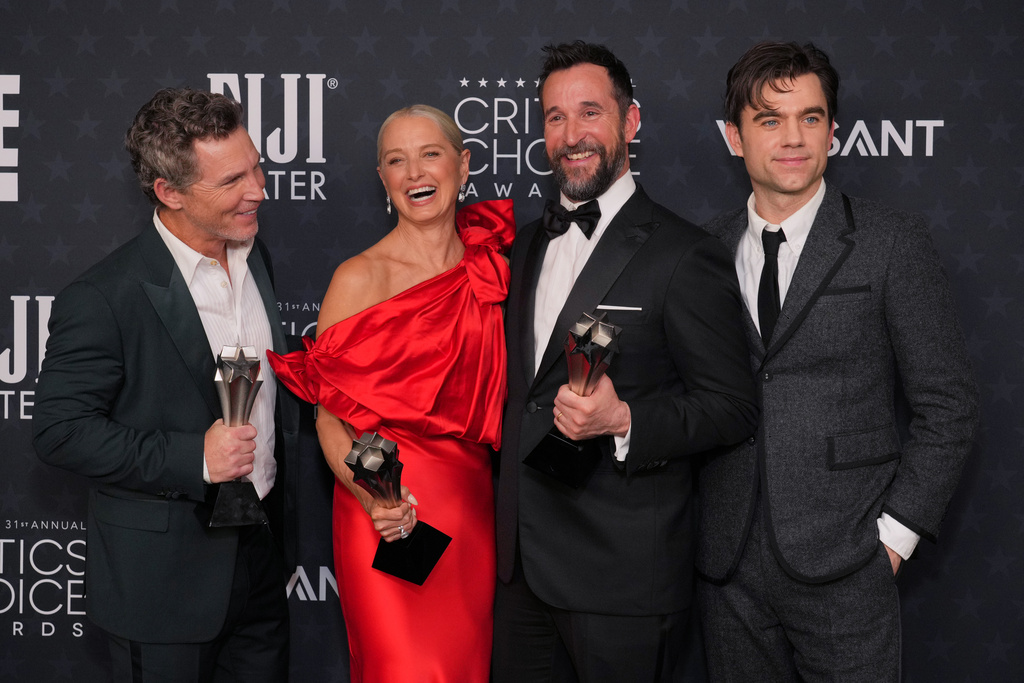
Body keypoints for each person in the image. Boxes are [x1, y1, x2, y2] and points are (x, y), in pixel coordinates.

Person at [697, 41, 980, 681]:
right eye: (770, 120)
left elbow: (948, 406)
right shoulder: (702, 250)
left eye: (811, 118)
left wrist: (892, 542)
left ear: (833, 130)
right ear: (734, 138)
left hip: (849, 563)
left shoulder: (889, 242)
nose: (794, 138)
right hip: (726, 566)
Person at [492, 41, 758, 682]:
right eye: (554, 117)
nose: (571, 134)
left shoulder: (683, 254)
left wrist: (624, 421)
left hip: (622, 579)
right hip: (520, 572)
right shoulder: (526, 242)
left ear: (630, 122)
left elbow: (732, 407)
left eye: (590, 112)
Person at [32, 88, 298, 681]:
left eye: (255, 165)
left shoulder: (257, 258)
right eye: (232, 180)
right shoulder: (104, 296)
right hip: (165, 585)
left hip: (261, 558)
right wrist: (193, 457)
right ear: (170, 192)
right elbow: (59, 431)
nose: (258, 189)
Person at [267, 104, 514, 683]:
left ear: (464, 164)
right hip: (383, 512)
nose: (414, 173)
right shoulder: (360, 278)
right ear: (382, 178)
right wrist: (371, 496)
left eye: (430, 154)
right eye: (395, 161)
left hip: (472, 509)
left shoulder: (496, 265)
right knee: (401, 667)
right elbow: (329, 419)